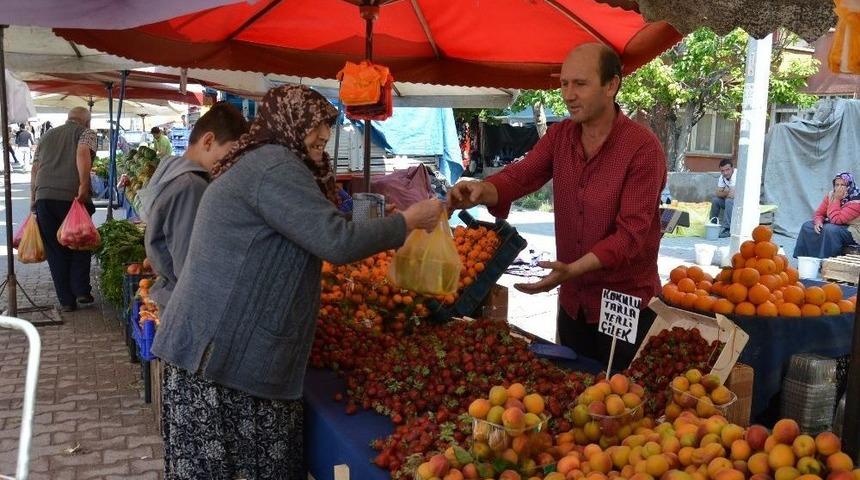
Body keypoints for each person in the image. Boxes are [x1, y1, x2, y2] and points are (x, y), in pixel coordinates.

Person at [152, 85, 444, 479]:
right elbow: (335, 242)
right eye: (316, 137)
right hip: (221, 364)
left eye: (326, 139)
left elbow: (315, 226)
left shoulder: (265, 161)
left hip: (217, 353)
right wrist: (406, 222)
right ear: (290, 124)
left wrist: (380, 223)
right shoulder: (274, 165)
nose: (323, 146)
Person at [448, 43, 667, 372]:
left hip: (625, 303)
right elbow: (521, 176)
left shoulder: (642, 149)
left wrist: (572, 269)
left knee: (621, 401)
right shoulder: (560, 137)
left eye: (580, 84)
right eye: (564, 83)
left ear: (611, 85)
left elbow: (630, 236)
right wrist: (482, 190)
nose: (568, 94)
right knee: (572, 391)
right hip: (573, 302)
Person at [137, 102, 249, 310]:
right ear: (208, 141)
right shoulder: (191, 186)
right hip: (186, 303)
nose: (231, 164)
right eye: (230, 154)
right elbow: (189, 264)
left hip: (173, 295)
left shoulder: (172, 171)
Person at [30, 107, 98, 312]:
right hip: (72, 197)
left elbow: (35, 168)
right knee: (81, 242)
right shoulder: (86, 133)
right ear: (87, 122)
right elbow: (82, 153)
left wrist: (34, 198)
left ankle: (66, 300)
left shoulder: (46, 135)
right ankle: (81, 291)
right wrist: (83, 187)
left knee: (55, 249)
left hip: (45, 199)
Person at [794, 172, 860, 259]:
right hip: (835, 225)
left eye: (843, 185)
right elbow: (819, 213)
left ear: (849, 186)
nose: (839, 188)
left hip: (852, 229)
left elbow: (837, 220)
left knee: (830, 229)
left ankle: (826, 261)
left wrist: (836, 199)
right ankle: (806, 260)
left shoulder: (856, 200)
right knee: (807, 226)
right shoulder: (831, 195)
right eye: (837, 185)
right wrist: (818, 222)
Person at [708, 159, 736, 238]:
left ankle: (727, 229)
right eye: (722, 171)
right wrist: (728, 192)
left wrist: (725, 193)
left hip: (742, 204)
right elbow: (717, 193)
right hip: (732, 201)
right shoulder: (722, 177)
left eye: (727, 170)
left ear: (732, 168)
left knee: (729, 201)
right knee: (715, 200)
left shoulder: (736, 175)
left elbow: (731, 195)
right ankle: (713, 224)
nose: (725, 173)